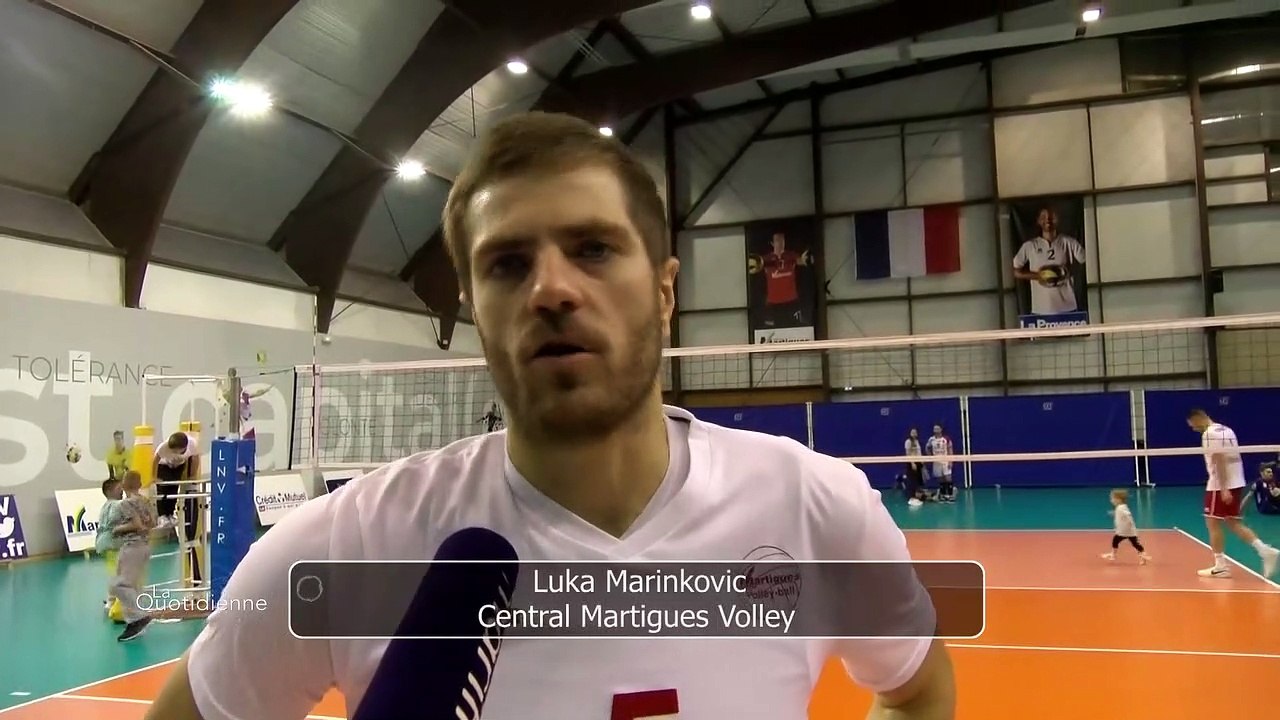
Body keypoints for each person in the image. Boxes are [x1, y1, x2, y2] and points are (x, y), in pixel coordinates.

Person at [144, 112, 954, 720]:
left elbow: (917, 689)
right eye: (508, 263)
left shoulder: (816, 509)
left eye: (593, 249)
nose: (553, 289)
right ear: (475, 308)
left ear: (665, 291)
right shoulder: (341, 549)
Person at [1185, 409, 1279, 579]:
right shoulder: (1226, 429)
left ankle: (1220, 566)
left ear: (1198, 418)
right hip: (1236, 481)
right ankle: (1265, 551)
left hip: (1219, 484)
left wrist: (1223, 488)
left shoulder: (1209, 434)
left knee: (1212, 523)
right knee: (1233, 522)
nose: (1194, 429)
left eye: (1193, 425)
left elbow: (1219, 460)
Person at [110, 470, 157, 642]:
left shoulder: (125, 504)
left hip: (132, 546)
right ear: (139, 484)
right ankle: (133, 622)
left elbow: (135, 524)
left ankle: (139, 617)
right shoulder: (146, 501)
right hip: (144, 546)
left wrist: (117, 529)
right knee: (132, 586)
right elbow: (153, 523)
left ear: (123, 485)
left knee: (119, 585)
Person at [1011, 207, 1085, 316]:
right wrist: (1039, 276)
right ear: (1038, 221)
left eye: (1051, 217)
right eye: (1043, 217)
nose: (1048, 220)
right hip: (1041, 309)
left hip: (1068, 307)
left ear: (1057, 220)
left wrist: (1064, 273)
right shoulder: (1030, 246)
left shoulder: (1069, 242)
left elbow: (1085, 262)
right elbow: (1016, 271)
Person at [153, 432, 196, 528]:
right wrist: (154, 477)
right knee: (163, 490)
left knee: (174, 490)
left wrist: (192, 475)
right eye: (173, 451)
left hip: (178, 467)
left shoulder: (192, 444)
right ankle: (162, 516)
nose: (175, 453)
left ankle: (170, 514)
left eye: (177, 451)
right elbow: (155, 461)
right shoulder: (163, 447)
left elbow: (195, 459)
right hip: (163, 466)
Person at [95, 477, 124, 617]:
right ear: (110, 491)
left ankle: (112, 600)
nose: (122, 491)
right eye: (119, 488)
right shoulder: (116, 505)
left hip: (105, 542)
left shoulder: (105, 506)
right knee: (115, 574)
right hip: (111, 543)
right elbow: (114, 521)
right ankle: (111, 601)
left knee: (115, 572)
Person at [1101, 489, 1151, 565]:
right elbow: (1122, 514)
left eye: (1112, 498)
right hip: (1125, 531)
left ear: (1118, 499)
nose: (1111, 500)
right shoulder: (1120, 507)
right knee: (1133, 543)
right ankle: (1142, 556)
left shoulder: (1121, 507)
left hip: (1126, 531)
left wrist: (1129, 521)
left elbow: (1127, 514)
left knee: (1119, 542)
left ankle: (1113, 555)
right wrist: (1114, 513)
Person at [926, 424, 955, 503]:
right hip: (936, 462)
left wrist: (950, 461)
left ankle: (950, 495)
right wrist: (930, 457)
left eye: (937, 428)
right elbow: (927, 448)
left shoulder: (946, 439)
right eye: (934, 428)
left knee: (948, 478)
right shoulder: (931, 439)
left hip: (945, 461)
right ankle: (943, 495)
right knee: (940, 478)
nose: (936, 430)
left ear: (941, 429)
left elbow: (950, 449)